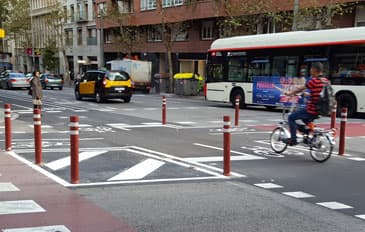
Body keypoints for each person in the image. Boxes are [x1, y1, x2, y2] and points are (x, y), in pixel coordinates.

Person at [283, 62, 327, 145]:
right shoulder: (326, 81)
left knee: (291, 118)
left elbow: (300, 89)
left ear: (314, 70)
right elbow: (320, 95)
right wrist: (308, 94)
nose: (310, 71)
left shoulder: (314, 81)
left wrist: (290, 93)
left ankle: (293, 139)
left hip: (312, 109)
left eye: (311, 69)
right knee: (305, 119)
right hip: (321, 110)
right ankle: (307, 134)